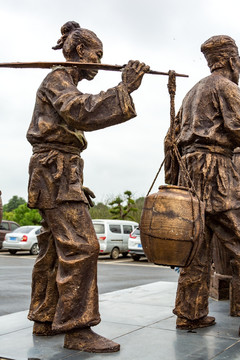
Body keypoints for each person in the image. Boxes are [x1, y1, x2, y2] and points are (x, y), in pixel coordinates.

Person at [27, 20, 149, 352]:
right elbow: (80, 111)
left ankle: (45, 316)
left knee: (55, 248)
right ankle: (77, 329)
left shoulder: (63, 81)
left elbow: (69, 123)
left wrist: (76, 183)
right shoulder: (58, 79)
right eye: (97, 55)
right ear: (80, 51)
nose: (98, 63)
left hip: (62, 172)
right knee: (82, 247)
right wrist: (124, 89)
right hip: (55, 171)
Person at [164, 35, 240, 330]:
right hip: (216, 170)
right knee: (235, 232)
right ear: (232, 60)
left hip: (190, 172)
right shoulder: (226, 87)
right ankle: (190, 313)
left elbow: (170, 138)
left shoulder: (192, 91)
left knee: (197, 245)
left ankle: (189, 313)